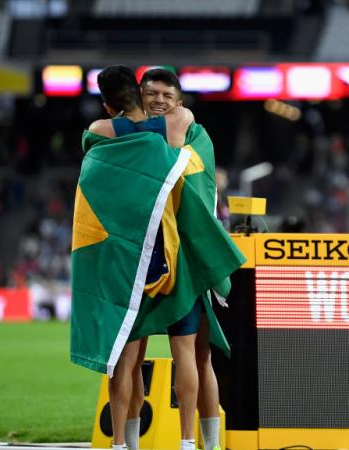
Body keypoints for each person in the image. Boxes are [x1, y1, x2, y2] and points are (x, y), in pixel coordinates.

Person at [83, 65, 194, 450]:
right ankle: (189, 441)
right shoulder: (171, 126)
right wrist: (161, 109)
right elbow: (182, 116)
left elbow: (92, 154)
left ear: (107, 103)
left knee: (125, 358)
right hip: (164, 254)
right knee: (187, 354)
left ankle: (121, 445)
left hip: (122, 258)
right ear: (139, 93)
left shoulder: (100, 132)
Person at [140, 68, 225, 450]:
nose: (158, 99)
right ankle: (126, 444)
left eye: (166, 94)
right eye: (151, 93)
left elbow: (190, 185)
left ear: (179, 98)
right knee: (130, 356)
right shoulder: (136, 134)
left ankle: (198, 443)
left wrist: (175, 123)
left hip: (187, 260)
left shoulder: (197, 136)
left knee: (195, 354)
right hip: (143, 259)